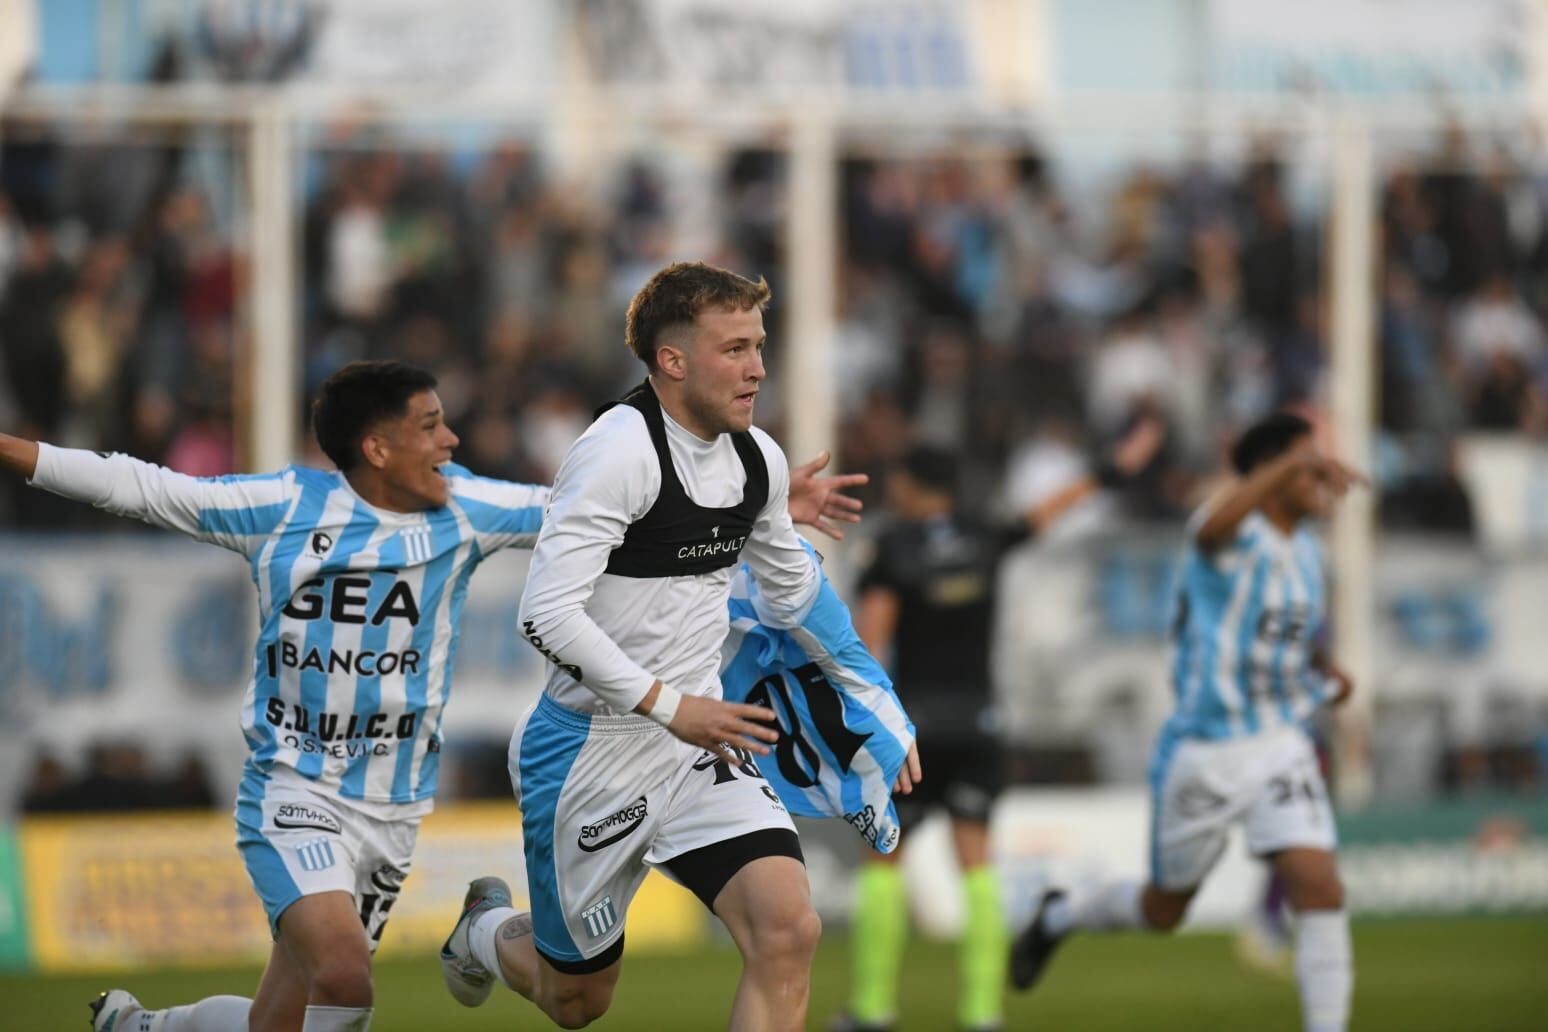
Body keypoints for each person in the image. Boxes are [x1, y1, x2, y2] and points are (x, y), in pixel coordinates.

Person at [0, 359, 862, 1032]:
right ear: (376, 449)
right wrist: (12, 449)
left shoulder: (472, 510)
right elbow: (137, 484)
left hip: (392, 807)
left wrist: (771, 501)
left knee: (284, 1017)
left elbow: (615, 507)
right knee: (344, 973)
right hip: (293, 792)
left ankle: (151, 1022)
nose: (451, 440)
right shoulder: (280, 506)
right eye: (430, 426)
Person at [438, 261, 920, 1032]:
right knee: (575, 1003)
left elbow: (794, 590)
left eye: (759, 345)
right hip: (591, 752)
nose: (757, 366)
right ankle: (485, 932)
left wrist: (874, 694)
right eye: (734, 348)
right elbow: (547, 615)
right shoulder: (615, 455)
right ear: (672, 361)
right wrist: (671, 707)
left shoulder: (755, 456)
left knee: (789, 930)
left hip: (703, 745)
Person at [1009, 412, 1362, 1032]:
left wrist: (1326, 669)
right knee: (1163, 909)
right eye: (1304, 465)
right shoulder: (1228, 533)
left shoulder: (1308, 552)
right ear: (1270, 473)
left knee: (1321, 889)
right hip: (1204, 751)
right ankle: (1060, 915)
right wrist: (1284, 464)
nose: (1318, 476)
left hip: (1281, 742)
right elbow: (1213, 528)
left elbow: (1285, 629)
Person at [833, 418, 1164, 1032]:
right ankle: (982, 1012)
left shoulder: (895, 548)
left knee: (884, 862)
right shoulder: (984, 534)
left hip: (914, 729)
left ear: (909, 485)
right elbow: (1052, 509)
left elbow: (872, 642)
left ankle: (874, 1009)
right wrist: (1114, 469)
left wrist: (860, 721)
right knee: (978, 866)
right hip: (980, 722)